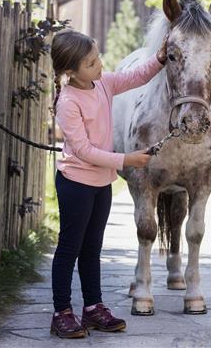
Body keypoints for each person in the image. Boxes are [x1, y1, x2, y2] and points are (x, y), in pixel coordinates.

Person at [49, 30, 167, 338]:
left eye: (98, 56)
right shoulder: (68, 102)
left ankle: (92, 308)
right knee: (69, 249)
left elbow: (135, 76)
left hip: (101, 184)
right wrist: (126, 160)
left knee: (92, 248)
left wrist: (159, 58)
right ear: (71, 71)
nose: (99, 65)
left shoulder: (103, 83)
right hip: (75, 184)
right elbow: (84, 150)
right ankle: (61, 312)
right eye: (91, 62)